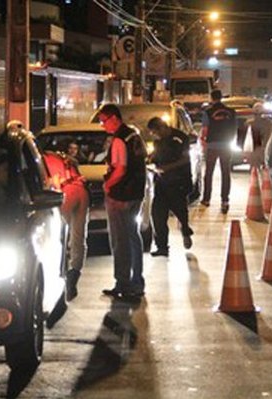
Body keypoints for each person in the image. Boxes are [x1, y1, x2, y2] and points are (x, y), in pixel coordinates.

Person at [99, 104, 147, 300]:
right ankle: (136, 281)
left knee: (120, 241)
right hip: (136, 193)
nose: (103, 126)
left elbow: (120, 169)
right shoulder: (133, 135)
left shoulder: (119, 139)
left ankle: (123, 283)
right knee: (133, 236)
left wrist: (107, 186)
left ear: (114, 118)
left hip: (121, 195)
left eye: (104, 121)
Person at [43, 151, 90, 301]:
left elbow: (55, 182)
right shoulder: (65, 158)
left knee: (60, 234)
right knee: (79, 236)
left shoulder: (46, 159)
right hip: (82, 191)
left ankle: (61, 271)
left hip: (67, 191)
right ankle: (74, 273)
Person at [147, 117, 194, 257]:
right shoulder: (158, 142)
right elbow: (156, 157)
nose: (155, 135)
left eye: (156, 132)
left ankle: (185, 230)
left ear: (162, 127)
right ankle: (162, 247)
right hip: (161, 183)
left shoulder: (180, 138)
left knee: (180, 211)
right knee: (158, 215)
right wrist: (150, 159)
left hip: (178, 182)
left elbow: (186, 159)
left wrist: (167, 168)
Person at [200, 89, 237, 214]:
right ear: (221, 97)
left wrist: (203, 140)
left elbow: (205, 129)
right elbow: (234, 128)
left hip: (212, 145)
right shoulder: (231, 112)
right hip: (226, 145)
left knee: (209, 172)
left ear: (212, 98)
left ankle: (206, 199)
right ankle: (225, 200)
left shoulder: (208, 112)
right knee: (225, 172)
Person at [245, 102, 272, 168]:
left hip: (256, 151)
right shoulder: (269, 123)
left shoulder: (249, 123)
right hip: (263, 151)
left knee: (255, 171)